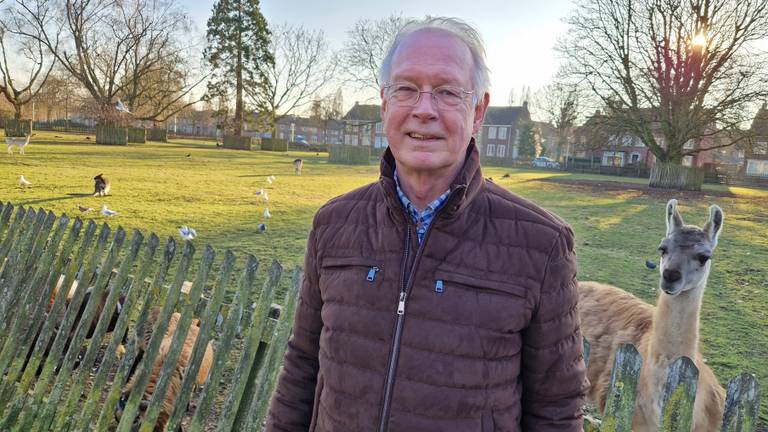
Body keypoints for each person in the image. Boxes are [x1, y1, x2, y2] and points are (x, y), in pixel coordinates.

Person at [266, 16, 587, 432]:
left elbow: (556, 411)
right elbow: (303, 366)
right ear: (384, 104)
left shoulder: (542, 245)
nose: (423, 109)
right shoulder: (333, 224)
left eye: (447, 92)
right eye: (406, 89)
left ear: (478, 111)